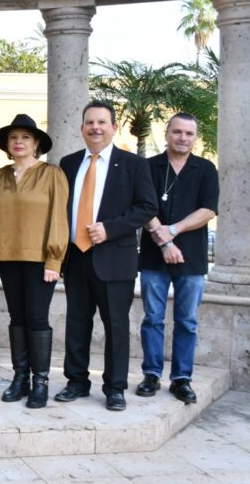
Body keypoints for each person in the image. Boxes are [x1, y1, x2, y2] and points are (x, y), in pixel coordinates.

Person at [56, 100, 156, 412]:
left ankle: (115, 388)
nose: (95, 128)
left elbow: (147, 207)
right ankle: (76, 381)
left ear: (114, 127)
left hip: (114, 259)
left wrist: (110, 229)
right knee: (76, 323)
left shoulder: (133, 164)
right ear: (81, 128)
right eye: (90, 122)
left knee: (116, 326)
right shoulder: (69, 163)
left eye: (102, 122)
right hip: (76, 257)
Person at [136, 113, 219, 405]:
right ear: (167, 133)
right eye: (177, 132)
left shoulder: (205, 169)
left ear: (195, 138)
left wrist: (172, 231)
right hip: (153, 257)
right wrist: (164, 242)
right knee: (152, 319)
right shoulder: (148, 167)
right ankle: (151, 374)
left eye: (189, 133)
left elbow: (209, 210)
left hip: (191, 258)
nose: (183, 138)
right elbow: (144, 206)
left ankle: (181, 379)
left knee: (187, 321)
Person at [0, 114, 69, 408]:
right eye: (13, 138)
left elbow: (59, 218)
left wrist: (54, 260)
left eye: (25, 137)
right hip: (8, 257)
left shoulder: (52, 174)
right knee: (17, 318)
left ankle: (41, 382)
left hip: (40, 260)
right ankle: (20, 377)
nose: (18, 142)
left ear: (36, 143)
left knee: (37, 318)